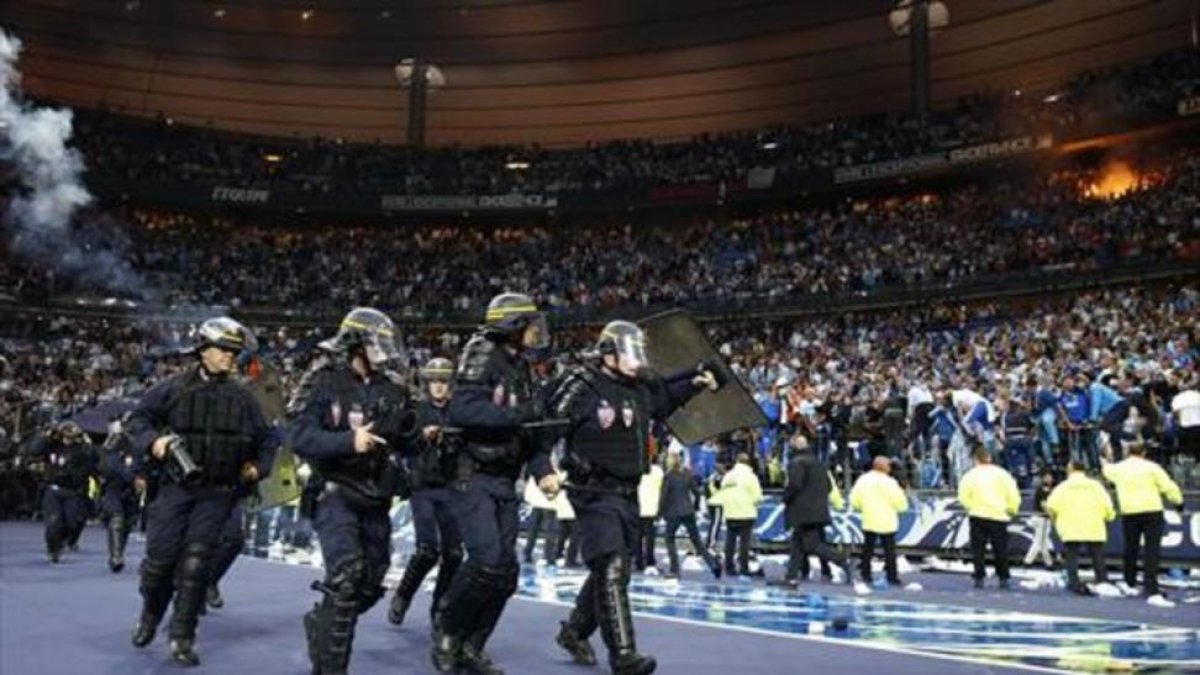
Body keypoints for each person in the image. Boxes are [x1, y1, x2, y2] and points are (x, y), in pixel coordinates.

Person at [548, 319, 721, 675]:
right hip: (591, 490)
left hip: (628, 492)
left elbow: (664, 401)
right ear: (608, 353)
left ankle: (575, 631)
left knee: (610, 570)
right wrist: (541, 469)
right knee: (611, 566)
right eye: (630, 350)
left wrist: (696, 383)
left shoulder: (640, 388)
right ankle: (624, 655)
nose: (637, 358)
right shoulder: (582, 384)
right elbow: (545, 426)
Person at [128, 317, 275, 666]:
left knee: (195, 566)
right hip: (174, 490)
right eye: (223, 350)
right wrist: (155, 442)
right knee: (158, 567)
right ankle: (151, 614)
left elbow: (268, 441)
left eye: (234, 352)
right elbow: (138, 421)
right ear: (203, 351)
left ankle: (182, 635)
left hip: (218, 493)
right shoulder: (172, 388)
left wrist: (258, 467)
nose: (229, 357)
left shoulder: (244, 397)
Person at [432, 292, 558, 675]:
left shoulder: (522, 367)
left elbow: (531, 430)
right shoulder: (482, 351)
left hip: (505, 480)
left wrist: (544, 471)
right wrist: (519, 415)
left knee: (507, 573)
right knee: (487, 560)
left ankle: (473, 645)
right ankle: (447, 632)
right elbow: (463, 409)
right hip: (474, 475)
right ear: (512, 325)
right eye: (529, 325)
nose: (536, 333)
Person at [290, 307, 418, 675]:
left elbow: (406, 438)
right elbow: (299, 436)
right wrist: (349, 441)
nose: (383, 350)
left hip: (376, 497)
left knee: (370, 582)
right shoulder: (321, 382)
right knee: (346, 576)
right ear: (356, 344)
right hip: (335, 493)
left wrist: (419, 437)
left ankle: (322, 620)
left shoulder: (394, 389)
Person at [389, 357, 464, 635]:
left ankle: (440, 608)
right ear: (426, 383)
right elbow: (401, 445)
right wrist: (421, 437)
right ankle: (403, 595)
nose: (439, 387)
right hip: (422, 487)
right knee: (426, 550)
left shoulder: (460, 412)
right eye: (434, 381)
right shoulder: (416, 412)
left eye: (444, 382)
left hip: (452, 488)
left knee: (455, 553)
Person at [1101, 441, 1184, 607]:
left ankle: (1129, 582)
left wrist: (1105, 458)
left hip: (1130, 512)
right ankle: (1151, 587)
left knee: (1131, 548)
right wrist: (1178, 502)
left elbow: (1106, 470)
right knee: (1151, 550)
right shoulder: (1152, 468)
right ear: (1144, 452)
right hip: (1152, 512)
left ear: (1128, 452)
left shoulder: (1119, 468)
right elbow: (1168, 486)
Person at [782, 434, 852, 586]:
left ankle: (841, 559)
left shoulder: (797, 462)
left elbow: (795, 485)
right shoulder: (819, 462)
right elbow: (828, 486)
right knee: (797, 545)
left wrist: (785, 497)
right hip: (818, 510)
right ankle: (790, 576)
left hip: (803, 511)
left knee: (812, 545)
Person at [1044, 461, 1114, 595]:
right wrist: (1108, 517)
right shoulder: (1095, 486)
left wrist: (1055, 519)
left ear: (1070, 469)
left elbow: (1051, 506)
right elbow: (1108, 506)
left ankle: (1074, 582)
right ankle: (1102, 581)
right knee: (1097, 556)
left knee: (1072, 556)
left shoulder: (1063, 487)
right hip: (1094, 525)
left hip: (1071, 525)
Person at [34, 421, 98, 564]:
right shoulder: (53, 447)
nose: (68, 435)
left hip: (73, 491)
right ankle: (53, 550)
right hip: (54, 489)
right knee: (53, 522)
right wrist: (46, 436)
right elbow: (34, 450)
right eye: (66, 431)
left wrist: (88, 443)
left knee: (72, 523)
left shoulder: (81, 450)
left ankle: (62, 541)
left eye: (72, 432)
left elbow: (92, 464)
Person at [957, 446, 1021, 590]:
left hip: (978, 515)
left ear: (975, 459)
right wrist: (1012, 509)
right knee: (1001, 549)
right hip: (998, 515)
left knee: (978, 549)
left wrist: (970, 507)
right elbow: (1013, 493)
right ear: (990, 457)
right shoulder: (1003, 474)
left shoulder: (970, 475)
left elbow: (963, 496)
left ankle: (979, 577)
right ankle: (1003, 577)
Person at [849, 456, 908, 593]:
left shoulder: (863, 480)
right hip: (887, 520)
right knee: (889, 550)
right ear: (884, 467)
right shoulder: (890, 483)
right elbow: (901, 503)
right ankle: (892, 576)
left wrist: (861, 507)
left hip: (869, 518)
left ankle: (866, 574)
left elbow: (854, 499)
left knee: (867, 548)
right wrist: (900, 508)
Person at [658, 453, 720, 579]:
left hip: (673, 512)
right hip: (688, 511)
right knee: (697, 541)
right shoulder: (687, 473)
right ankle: (713, 565)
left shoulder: (668, 476)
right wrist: (695, 507)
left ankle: (674, 570)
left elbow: (664, 497)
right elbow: (696, 493)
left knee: (669, 539)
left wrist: (659, 513)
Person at [99, 415, 144, 572]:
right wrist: (133, 477)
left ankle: (119, 553)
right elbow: (109, 465)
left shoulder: (143, 440)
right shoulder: (114, 441)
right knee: (117, 518)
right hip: (114, 487)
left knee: (128, 523)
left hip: (134, 490)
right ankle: (116, 557)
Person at [711, 452, 763, 578]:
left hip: (730, 512)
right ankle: (743, 569)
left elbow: (722, 492)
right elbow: (757, 497)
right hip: (746, 512)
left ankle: (729, 567)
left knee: (730, 541)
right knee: (744, 543)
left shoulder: (728, 476)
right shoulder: (751, 477)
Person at [635, 460, 664, 573]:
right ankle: (649, 561)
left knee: (637, 536)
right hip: (652, 508)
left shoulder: (636, 469)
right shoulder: (658, 471)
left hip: (638, 506)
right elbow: (662, 489)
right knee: (650, 538)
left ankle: (638, 561)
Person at [523, 471, 558, 564]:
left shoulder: (536, 466)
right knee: (550, 531)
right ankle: (549, 556)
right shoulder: (552, 467)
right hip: (549, 502)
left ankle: (527, 553)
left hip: (536, 501)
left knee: (533, 530)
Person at [1023, 471, 1056, 568]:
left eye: (1051, 477)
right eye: (1048, 477)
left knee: (1042, 542)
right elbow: (1043, 504)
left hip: (1040, 518)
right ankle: (1027, 562)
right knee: (1039, 542)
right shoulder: (1043, 489)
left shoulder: (1046, 489)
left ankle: (1049, 563)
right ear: (1043, 479)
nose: (1050, 479)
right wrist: (1051, 516)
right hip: (1043, 518)